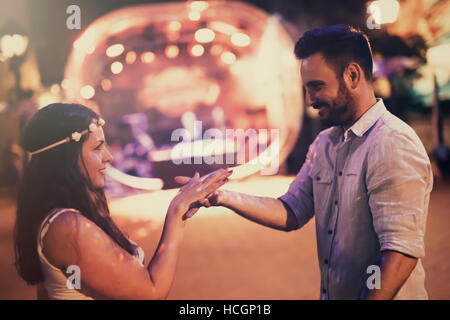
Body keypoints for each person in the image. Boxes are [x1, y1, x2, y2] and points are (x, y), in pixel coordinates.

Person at [176, 25, 433, 300]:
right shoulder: (325, 143)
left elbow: (400, 253)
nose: (309, 100)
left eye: (316, 86)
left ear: (353, 75)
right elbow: (292, 210)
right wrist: (222, 196)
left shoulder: (392, 143)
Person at [14, 103, 231, 300]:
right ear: (66, 158)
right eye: (97, 147)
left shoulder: (61, 220)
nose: (109, 156)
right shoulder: (68, 226)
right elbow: (151, 294)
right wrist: (177, 211)